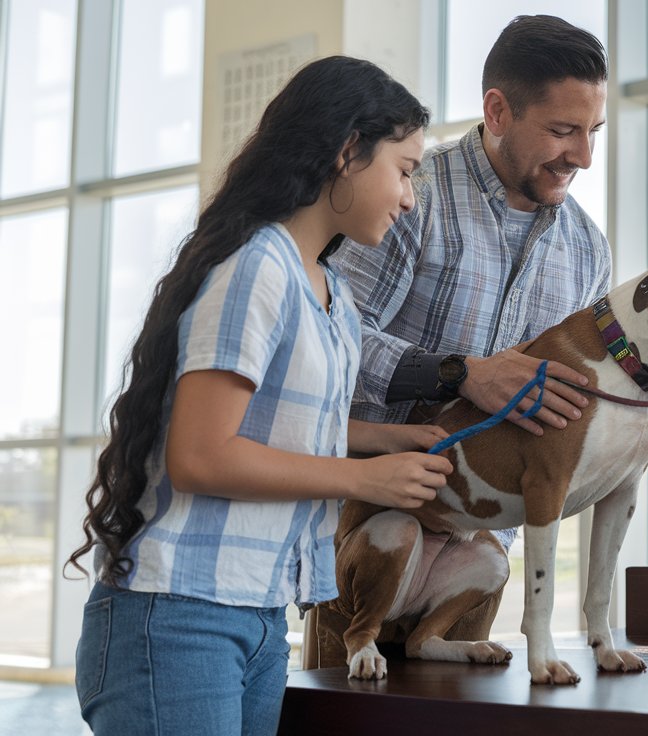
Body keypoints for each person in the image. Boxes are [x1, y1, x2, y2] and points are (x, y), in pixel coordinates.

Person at [65, 56, 454, 735]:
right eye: (405, 169)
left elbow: (285, 424)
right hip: (179, 615)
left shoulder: (331, 292)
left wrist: (390, 439)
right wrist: (368, 478)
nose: (410, 197)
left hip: (259, 611)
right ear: (347, 152)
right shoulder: (256, 267)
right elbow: (202, 456)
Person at [324, 14, 611, 638]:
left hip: (479, 557)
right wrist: (461, 375)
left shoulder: (589, 249)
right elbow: (331, 338)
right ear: (498, 110)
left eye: (593, 132)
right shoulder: (407, 196)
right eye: (563, 131)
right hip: (368, 528)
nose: (583, 157)